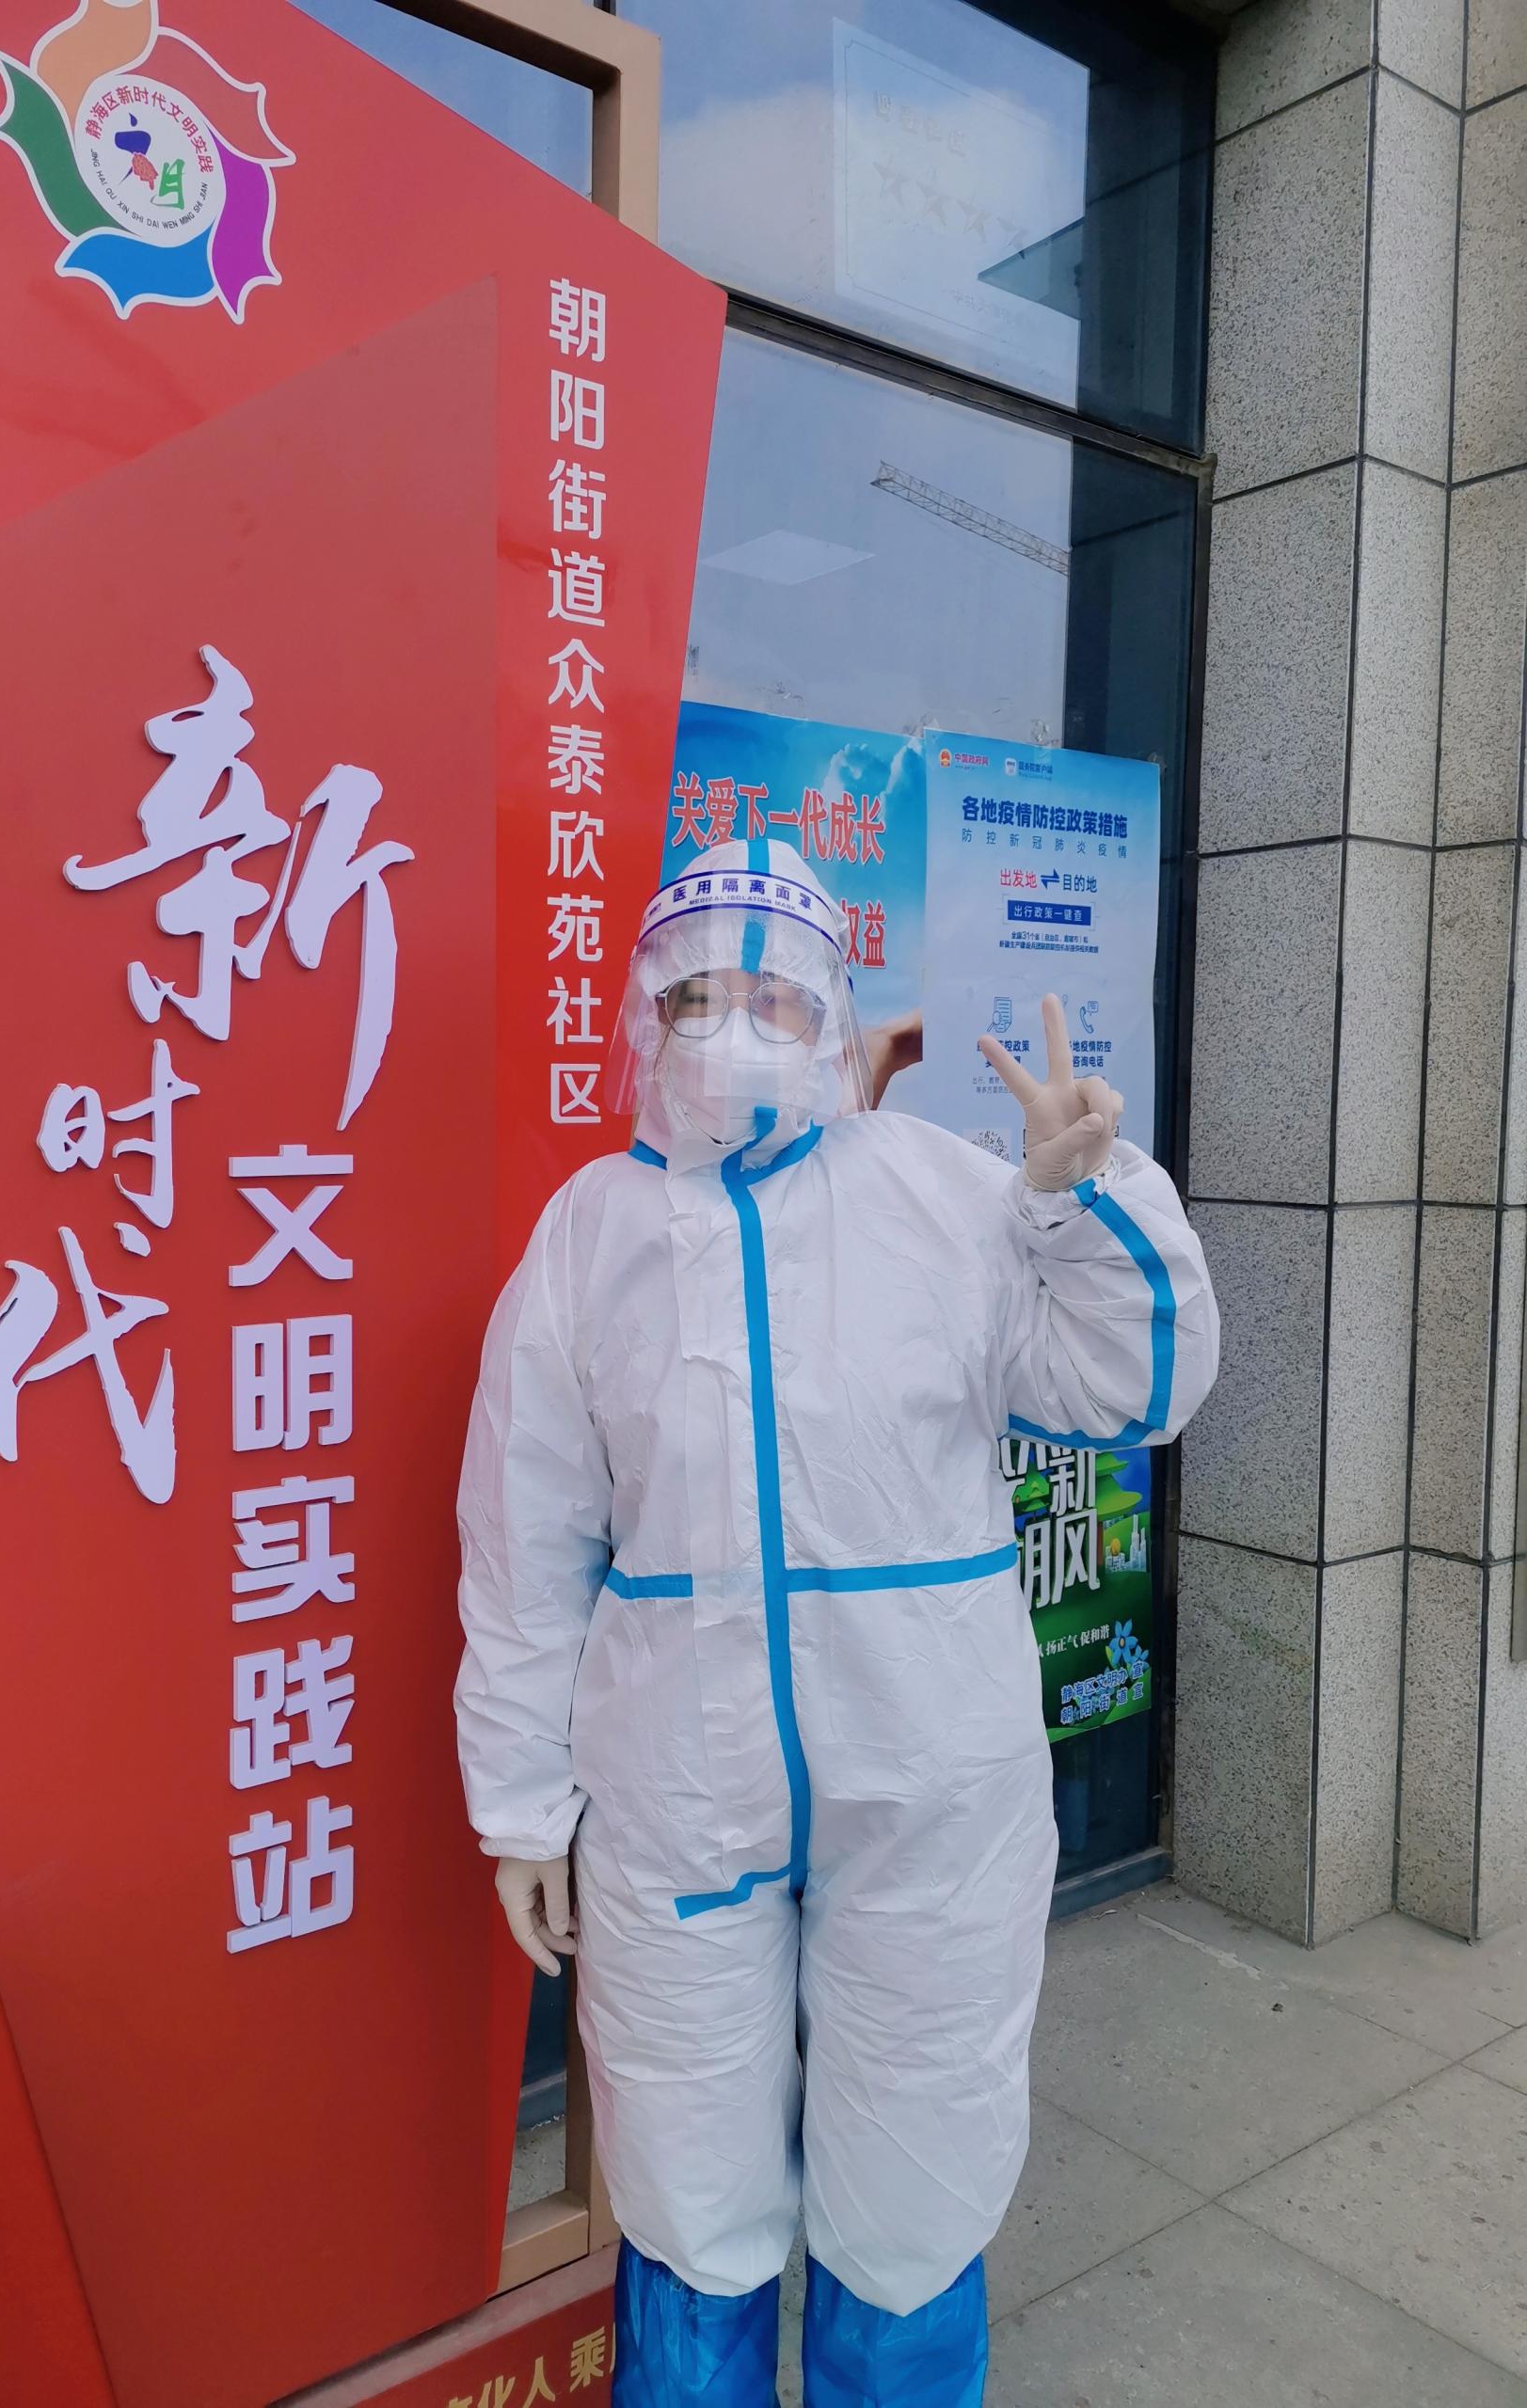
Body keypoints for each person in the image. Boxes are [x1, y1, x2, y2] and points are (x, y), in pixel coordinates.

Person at [454, 838, 1217, 2405]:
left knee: (913, 2190)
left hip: (931, 1788)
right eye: (697, 998)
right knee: (689, 2197)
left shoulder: (942, 1196)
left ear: (831, 1017)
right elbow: (526, 1545)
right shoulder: (588, 1239)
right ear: (646, 1018)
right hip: (676, 1801)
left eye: (776, 997)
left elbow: (1137, 1387)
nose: (735, 1028)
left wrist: (1090, 1204)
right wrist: (523, 1804)